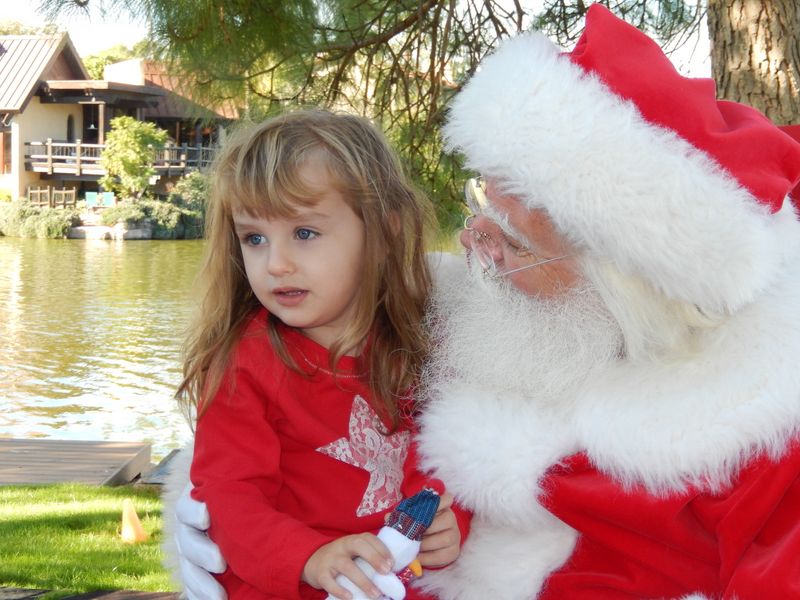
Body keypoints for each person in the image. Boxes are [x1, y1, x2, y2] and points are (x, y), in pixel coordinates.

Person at [170, 5, 800, 598]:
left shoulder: (756, 430)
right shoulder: (458, 311)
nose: (476, 245)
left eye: (513, 238)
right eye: (480, 209)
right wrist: (237, 530)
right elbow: (269, 450)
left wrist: (443, 523)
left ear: (619, 274)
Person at [167, 109, 467, 600]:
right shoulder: (246, 361)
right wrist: (308, 557)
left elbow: (449, 467)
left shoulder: (424, 345)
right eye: (254, 238)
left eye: (304, 233)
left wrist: (451, 527)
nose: (276, 264)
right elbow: (229, 498)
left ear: (384, 232)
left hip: (397, 585)